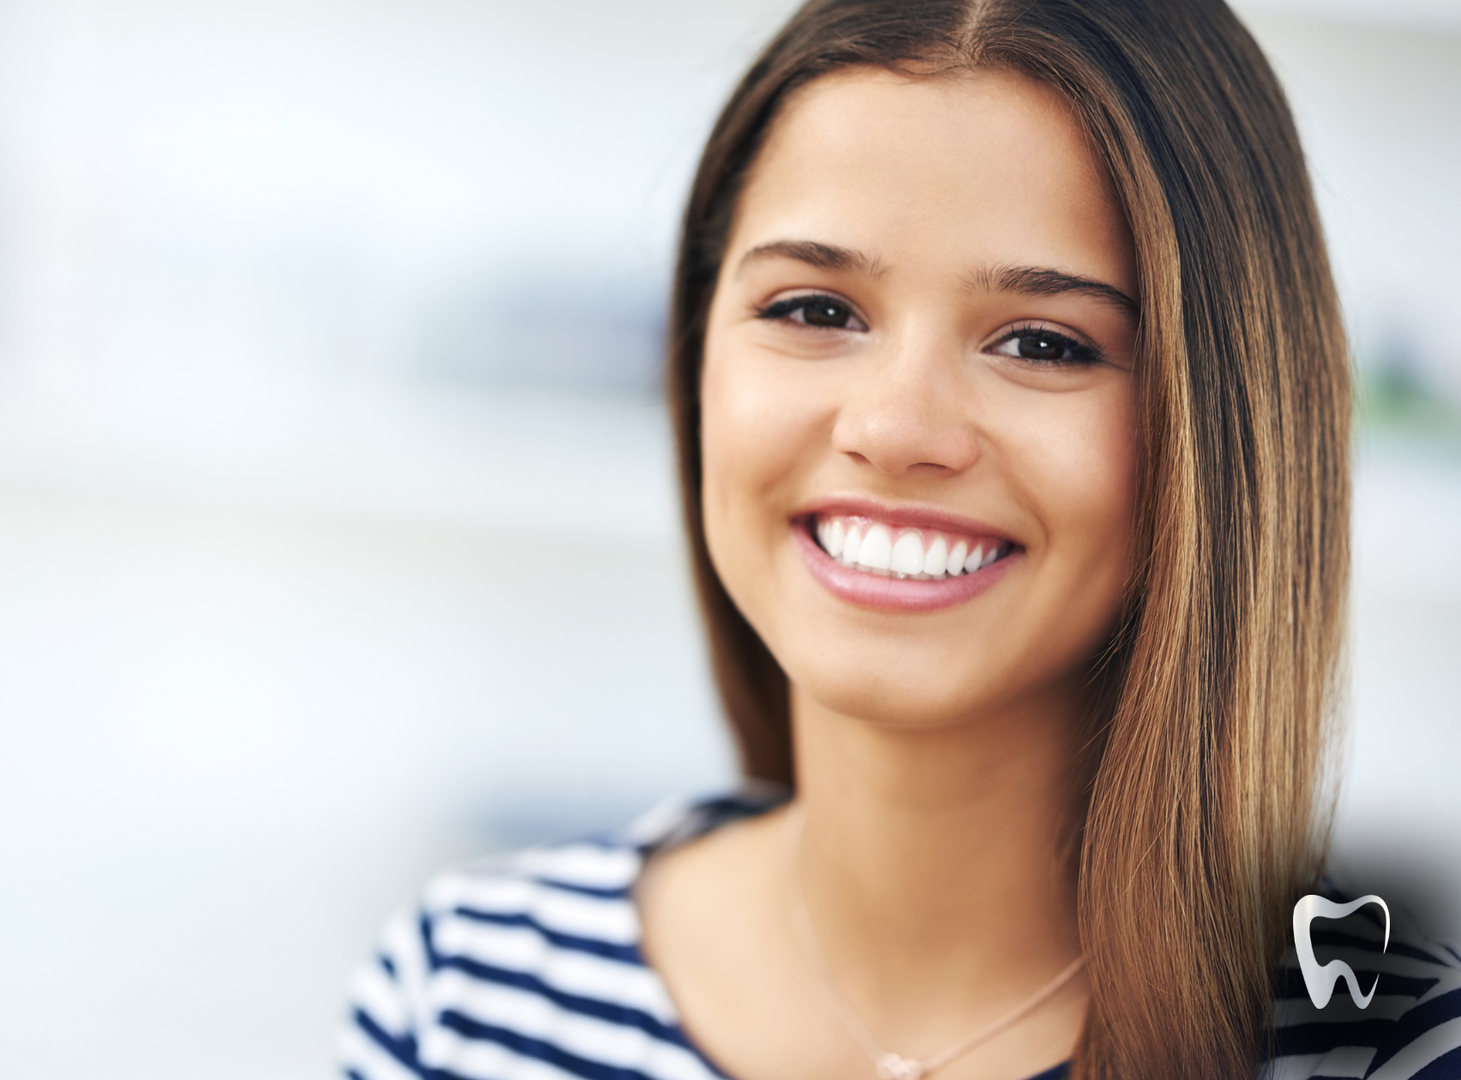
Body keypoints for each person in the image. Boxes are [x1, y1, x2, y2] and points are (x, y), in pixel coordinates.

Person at [337, 1, 1461, 1077]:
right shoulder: (470, 997)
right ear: (695, 358)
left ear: (1232, 429)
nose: (895, 429)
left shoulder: (1391, 1051)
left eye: (1042, 342)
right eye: (815, 311)